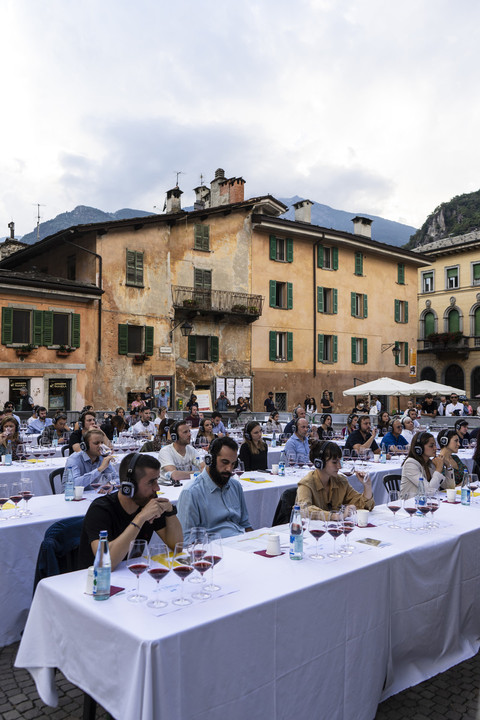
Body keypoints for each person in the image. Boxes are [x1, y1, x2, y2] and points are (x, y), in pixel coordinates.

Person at [78, 452, 182, 570]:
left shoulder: (148, 500)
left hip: (132, 576)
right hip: (96, 581)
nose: (157, 488)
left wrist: (170, 511)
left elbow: (177, 547)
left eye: (157, 480)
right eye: (151, 482)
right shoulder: (100, 509)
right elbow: (106, 563)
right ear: (129, 486)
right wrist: (140, 518)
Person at [177, 436, 253, 542]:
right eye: (225, 462)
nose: (229, 469)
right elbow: (186, 540)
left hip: (241, 542)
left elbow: (245, 524)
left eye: (233, 464)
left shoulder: (235, 486)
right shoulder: (192, 492)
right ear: (209, 460)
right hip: (214, 550)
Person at [296, 440, 374, 520]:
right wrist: (336, 516)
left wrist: (367, 486)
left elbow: (364, 506)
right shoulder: (306, 484)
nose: (339, 466)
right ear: (319, 463)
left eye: (340, 461)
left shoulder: (341, 481)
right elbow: (303, 510)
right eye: (334, 462)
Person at [400, 432, 454, 499]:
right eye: (431, 446)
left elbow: (450, 487)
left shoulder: (430, 463)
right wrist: (438, 469)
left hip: (426, 503)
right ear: (419, 448)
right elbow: (429, 491)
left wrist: (448, 467)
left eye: (435, 445)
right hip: (410, 505)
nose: (435, 448)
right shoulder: (410, 464)